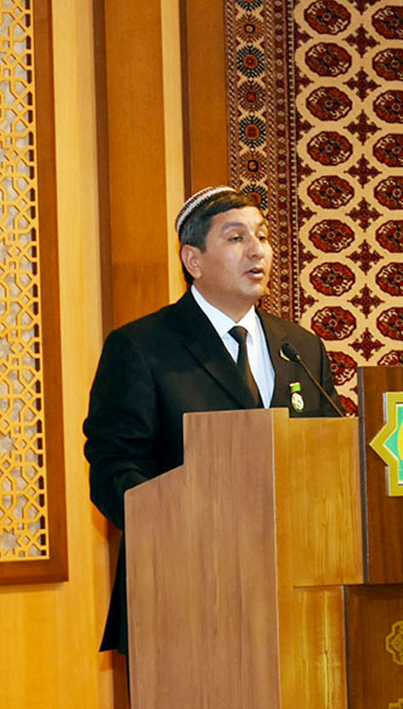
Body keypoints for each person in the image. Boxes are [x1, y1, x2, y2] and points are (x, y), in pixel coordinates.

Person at [83, 186, 342, 655]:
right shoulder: (143, 346)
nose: (257, 250)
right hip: (183, 593)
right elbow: (113, 465)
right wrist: (180, 525)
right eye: (236, 237)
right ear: (193, 260)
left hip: (298, 585)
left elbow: (331, 451)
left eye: (262, 236)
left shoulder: (300, 347)